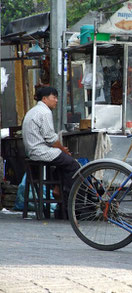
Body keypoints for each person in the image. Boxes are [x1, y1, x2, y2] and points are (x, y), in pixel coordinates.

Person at [22, 87, 80, 217]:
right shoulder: (44, 112)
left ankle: (57, 189)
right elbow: (50, 138)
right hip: (40, 151)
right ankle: (71, 203)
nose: (56, 100)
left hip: (33, 151)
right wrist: (62, 149)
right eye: (54, 97)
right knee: (73, 165)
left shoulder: (33, 111)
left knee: (63, 164)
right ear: (44, 99)